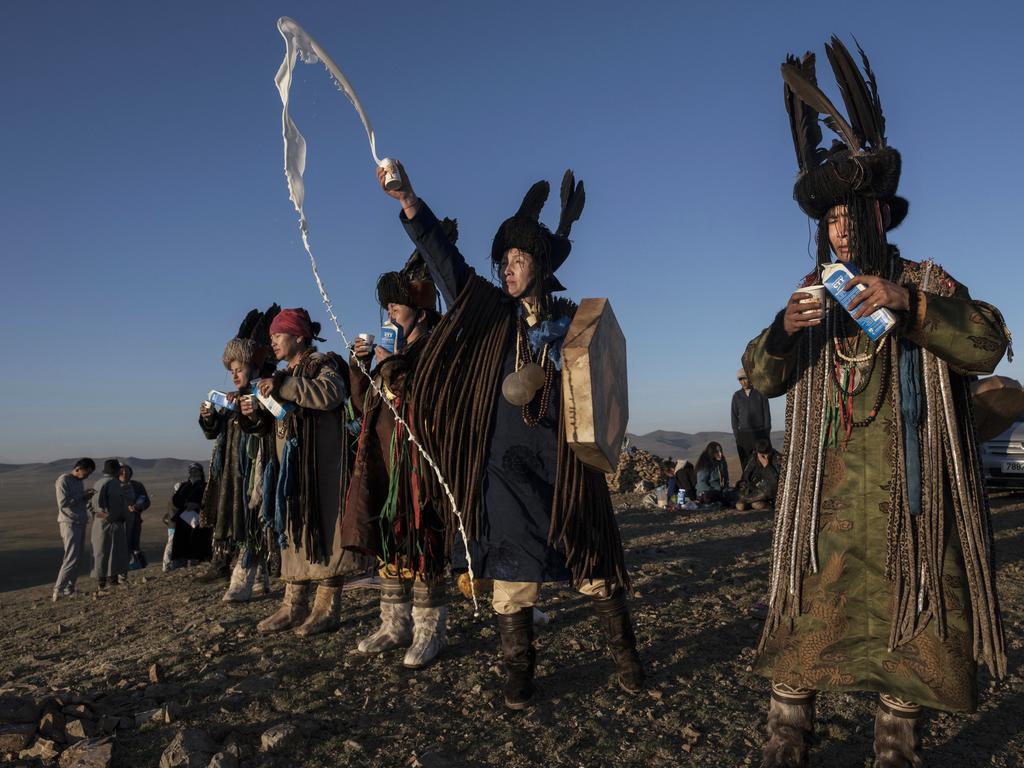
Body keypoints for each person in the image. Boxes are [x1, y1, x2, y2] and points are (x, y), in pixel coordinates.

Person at [745, 39, 1011, 767]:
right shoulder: (810, 295)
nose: (839, 229)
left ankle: (897, 741)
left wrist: (912, 305)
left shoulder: (927, 279)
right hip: (822, 502)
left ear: (880, 217)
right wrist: (781, 331)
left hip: (910, 504)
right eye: (828, 219)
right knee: (806, 620)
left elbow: (987, 344)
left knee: (916, 620)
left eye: (850, 215)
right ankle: (787, 736)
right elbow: (760, 379)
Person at [379, 162, 644, 709]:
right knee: (512, 578)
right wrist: (409, 199)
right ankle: (518, 676)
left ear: (540, 265)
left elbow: (606, 384)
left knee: (595, 570)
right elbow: (447, 266)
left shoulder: (576, 322)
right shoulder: (490, 314)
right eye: (503, 260)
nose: (507, 268)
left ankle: (626, 658)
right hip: (506, 465)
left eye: (518, 259)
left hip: (568, 466)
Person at [347, 224, 457, 668]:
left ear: (420, 311)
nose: (389, 313)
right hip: (387, 463)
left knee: (423, 537)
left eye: (397, 306)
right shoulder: (386, 353)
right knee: (392, 539)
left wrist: (391, 365)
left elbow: (427, 398)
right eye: (388, 307)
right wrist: (360, 368)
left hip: (422, 467)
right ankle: (394, 624)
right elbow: (364, 406)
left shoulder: (436, 348)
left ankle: (431, 629)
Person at [239, 307, 367, 636]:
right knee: (295, 529)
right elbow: (277, 419)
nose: (274, 343)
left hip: (322, 469)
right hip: (292, 470)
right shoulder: (282, 374)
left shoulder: (322, 364)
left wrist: (283, 386)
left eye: (278, 336)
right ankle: (292, 605)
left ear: (299, 337)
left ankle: (326, 608)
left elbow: (330, 394)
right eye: (271, 337)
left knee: (324, 533)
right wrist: (254, 412)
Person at [199, 305, 281, 601]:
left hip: (257, 470)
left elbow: (267, 427)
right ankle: (260, 580)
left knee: (254, 521)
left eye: (239, 368)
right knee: (243, 522)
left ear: (256, 366)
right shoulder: (231, 400)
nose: (234, 375)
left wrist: (253, 411)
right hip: (233, 473)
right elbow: (215, 433)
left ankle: (241, 580)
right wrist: (209, 418)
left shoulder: (268, 392)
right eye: (231, 370)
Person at [53, 458, 96, 600]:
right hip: (69, 523)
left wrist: (85, 497)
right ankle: (58, 590)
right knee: (70, 558)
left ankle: (69, 589)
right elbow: (63, 503)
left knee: (77, 558)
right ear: (78, 468)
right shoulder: (63, 480)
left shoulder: (79, 481)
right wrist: (82, 495)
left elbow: (77, 501)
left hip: (80, 521)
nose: (87, 476)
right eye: (86, 472)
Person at [90, 458, 130, 588]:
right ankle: (109, 581)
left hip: (100, 521)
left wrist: (96, 514)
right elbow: (112, 503)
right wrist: (112, 516)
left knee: (102, 550)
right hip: (110, 523)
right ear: (117, 470)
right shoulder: (112, 483)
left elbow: (91, 504)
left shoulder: (98, 482)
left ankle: (103, 581)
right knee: (112, 551)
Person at [165, 463, 211, 568]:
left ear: (201, 472)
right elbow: (175, 500)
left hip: (199, 518)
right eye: (191, 471)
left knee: (198, 540)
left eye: (196, 471)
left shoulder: (206, 486)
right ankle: (181, 562)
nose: (194, 473)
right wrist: (185, 504)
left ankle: (197, 560)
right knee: (181, 542)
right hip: (183, 519)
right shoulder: (183, 486)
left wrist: (197, 505)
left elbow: (209, 501)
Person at [732, 368, 772, 470]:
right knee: (746, 465)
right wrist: (737, 435)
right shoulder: (737, 396)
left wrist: (766, 433)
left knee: (763, 463)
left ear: (750, 378)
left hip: (760, 434)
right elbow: (734, 417)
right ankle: (748, 485)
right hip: (743, 436)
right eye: (740, 380)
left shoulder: (760, 393)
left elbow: (767, 414)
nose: (743, 382)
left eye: (745, 379)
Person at [119, 464, 151, 569]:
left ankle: (138, 565)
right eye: (122, 471)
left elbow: (146, 501)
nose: (124, 473)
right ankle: (122, 568)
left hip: (135, 519)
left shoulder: (137, 485)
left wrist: (139, 506)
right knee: (121, 545)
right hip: (120, 521)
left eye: (127, 471)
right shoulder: (112, 486)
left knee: (135, 543)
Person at [734, 439, 779, 511]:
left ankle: (768, 505)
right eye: (761, 454)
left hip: (769, 493)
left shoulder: (777, 458)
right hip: (755, 491)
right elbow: (746, 476)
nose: (765, 456)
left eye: (766, 454)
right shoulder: (754, 458)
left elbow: (775, 483)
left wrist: (767, 466)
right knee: (740, 506)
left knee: (756, 504)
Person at [694, 442, 736, 507]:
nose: (720, 454)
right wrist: (714, 491)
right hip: (708, 492)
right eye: (717, 452)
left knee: (735, 492)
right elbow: (701, 483)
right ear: (711, 453)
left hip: (721, 490)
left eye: (721, 451)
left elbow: (725, 478)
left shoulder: (722, 461)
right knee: (713, 497)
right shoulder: (705, 464)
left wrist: (725, 488)